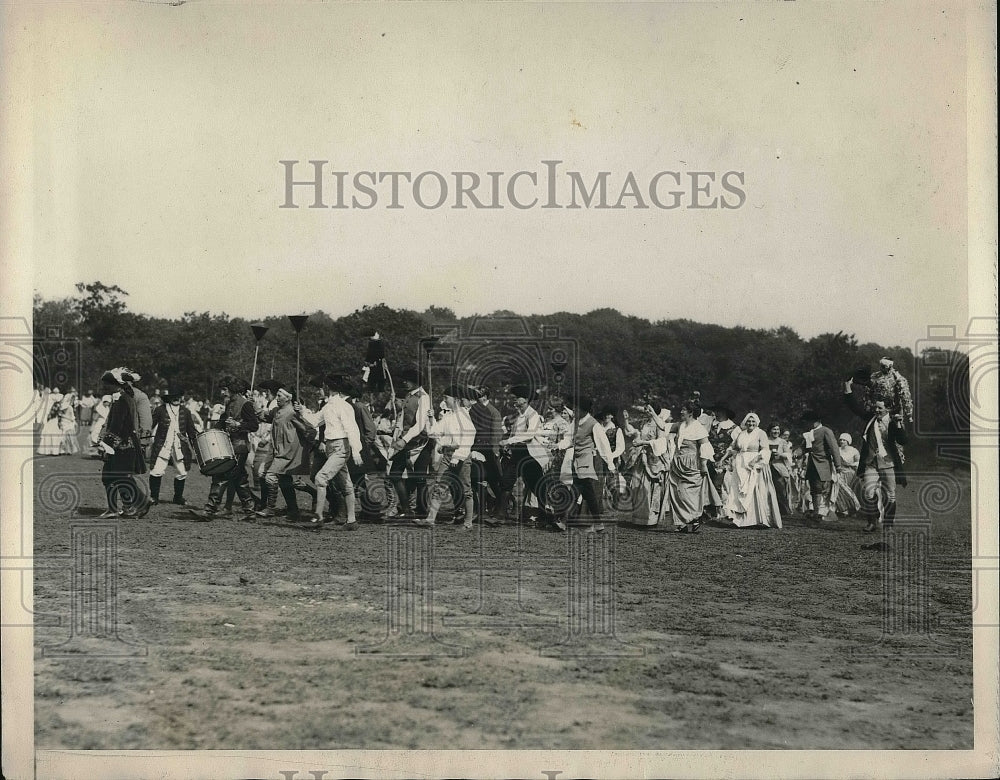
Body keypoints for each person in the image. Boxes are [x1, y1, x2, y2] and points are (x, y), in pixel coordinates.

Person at [844, 379, 908, 532]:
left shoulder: (893, 422)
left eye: (879, 408)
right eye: (875, 408)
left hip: (889, 463)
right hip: (871, 462)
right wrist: (847, 387)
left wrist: (899, 424)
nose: (877, 411)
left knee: (890, 495)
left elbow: (903, 440)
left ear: (887, 409)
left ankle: (889, 525)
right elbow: (855, 407)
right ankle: (872, 521)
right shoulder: (870, 419)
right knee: (868, 492)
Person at [192, 377, 259, 519]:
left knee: (221, 476)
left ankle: (209, 510)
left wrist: (238, 425)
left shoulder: (245, 404)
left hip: (239, 447)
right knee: (240, 480)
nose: (222, 393)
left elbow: (254, 425)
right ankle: (250, 511)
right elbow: (221, 424)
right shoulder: (230, 404)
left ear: (233, 389)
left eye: (225, 390)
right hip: (229, 446)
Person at [417, 385, 478, 529]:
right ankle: (430, 519)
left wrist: (457, 457)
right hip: (447, 456)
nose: (444, 401)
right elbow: (434, 432)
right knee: (440, 486)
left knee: (466, 489)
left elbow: (469, 438)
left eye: (446, 398)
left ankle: (468, 523)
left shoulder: (463, 415)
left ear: (456, 399)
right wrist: (430, 419)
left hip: (461, 456)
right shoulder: (449, 416)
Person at [256, 385, 316, 520]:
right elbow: (265, 416)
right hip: (278, 451)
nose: (277, 398)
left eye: (280, 396)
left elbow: (309, 430)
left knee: (270, 476)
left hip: (288, 452)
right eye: (277, 395)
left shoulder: (292, 413)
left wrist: (311, 445)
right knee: (284, 481)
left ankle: (270, 508)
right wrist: (254, 405)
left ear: (288, 398)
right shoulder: (277, 410)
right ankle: (293, 511)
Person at [556, 397, 615, 532]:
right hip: (576, 462)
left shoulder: (593, 424)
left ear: (583, 410)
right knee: (588, 493)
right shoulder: (576, 423)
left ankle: (565, 521)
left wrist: (611, 465)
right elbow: (569, 439)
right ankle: (598, 523)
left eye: (576, 408)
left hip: (586, 463)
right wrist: (558, 446)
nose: (574, 410)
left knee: (577, 490)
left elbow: (603, 446)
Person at [312, 373, 364, 527]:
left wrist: (356, 451)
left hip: (340, 446)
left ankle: (318, 517)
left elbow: (352, 430)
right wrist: (302, 411)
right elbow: (315, 421)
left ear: (329, 388)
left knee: (321, 478)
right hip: (333, 447)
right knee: (346, 486)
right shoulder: (329, 406)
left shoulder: (343, 406)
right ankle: (352, 520)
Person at [97, 368, 148, 517]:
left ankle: (121, 507)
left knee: (112, 477)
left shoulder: (121, 400)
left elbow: (116, 426)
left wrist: (107, 446)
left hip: (121, 446)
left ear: (116, 385)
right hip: (125, 445)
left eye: (107, 384)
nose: (104, 387)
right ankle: (129, 506)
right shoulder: (124, 398)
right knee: (119, 477)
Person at [664, 400, 721, 533]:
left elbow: (705, 446)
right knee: (675, 491)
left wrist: (703, 464)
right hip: (677, 463)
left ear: (690, 412)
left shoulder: (698, 427)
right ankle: (681, 523)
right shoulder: (680, 425)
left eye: (684, 409)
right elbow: (663, 426)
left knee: (687, 493)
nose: (681, 411)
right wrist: (652, 413)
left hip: (691, 464)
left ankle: (695, 517)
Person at [498, 383, 551, 524]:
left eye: (517, 398)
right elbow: (514, 434)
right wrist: (508, 444)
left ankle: (546, 515)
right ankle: (501, 515)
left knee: (536, 485)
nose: (514, 400)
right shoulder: (519, 416)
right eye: (514, 398)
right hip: (517, 454)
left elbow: (528, 436)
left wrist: (509, 440)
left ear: (526, 400)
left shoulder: (533, 415)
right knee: (506, 482)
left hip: (530, 455)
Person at [719, 413, 783, 528]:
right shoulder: (741, 434)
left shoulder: (761, 433)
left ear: (757, 422)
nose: (751, 424)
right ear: (745, 422)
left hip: (754, 464)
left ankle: (755, 519)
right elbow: (732, 448)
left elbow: (765, 450)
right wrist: (722, 459)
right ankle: (741, 520)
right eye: (749, 421)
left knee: (753, 490)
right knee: (739, 490)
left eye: (753, 422)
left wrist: (755, 460)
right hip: (741, 464)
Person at [387, 366, 433, 519]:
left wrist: (404, 439)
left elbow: (420, 424)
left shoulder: (423, 397)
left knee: (419, 478)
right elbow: (403, 418)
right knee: (394, 474)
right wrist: (398, 433)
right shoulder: (408, 395)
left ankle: (422, 509)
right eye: (404, 380)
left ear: (416, 382)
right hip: (406, 440)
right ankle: (406, 509)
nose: (405, 382)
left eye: (408, 380)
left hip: (421, 441)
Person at [621, 404, 670, 526]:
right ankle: (639, 517)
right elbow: (631, 432)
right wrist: (626, 420)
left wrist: (643, 442)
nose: (646, 411)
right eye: (646, 409)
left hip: (654, 459)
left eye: (649, 409)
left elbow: (661, 442)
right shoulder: (644, 423)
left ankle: (650, 519)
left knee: (649, 487)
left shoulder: (659, 424)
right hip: (642, 456)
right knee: (638, 485)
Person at [147, 389, 199, 505]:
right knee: (156, 471)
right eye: (173, 396)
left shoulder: (185, 412)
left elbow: (191, 430)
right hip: (162, 445)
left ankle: (178, 497)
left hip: (179, 446)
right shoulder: (160, 410)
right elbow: (150, 424)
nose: (176, 398)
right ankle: (154, 497)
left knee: (182, 472)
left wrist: (197, 444)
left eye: (178, 396)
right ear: (168, 398)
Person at [469, 385, 504, 523]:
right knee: (478, 478)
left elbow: (496, 433)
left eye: (478, 395)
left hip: (489, 450)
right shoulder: (475, 409)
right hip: (476, 447)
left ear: (484, 396)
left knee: (494, 480)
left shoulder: (493, 411)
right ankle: (485, 506)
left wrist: (495, 452)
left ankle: (500, 506)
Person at [800, 409, 843, 521]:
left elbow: (834, 448)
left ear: (816, 421)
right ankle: (816, 512)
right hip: (812, 465)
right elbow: (804, 447)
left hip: (822, 464)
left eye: (808, 421)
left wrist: (838, 465)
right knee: (814, 489)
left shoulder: (825, 431)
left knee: (821, 488)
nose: (806, 424)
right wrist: (797, 452)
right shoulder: (809, 433)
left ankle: (821, 512)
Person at [830, 432, 863, 517]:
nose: (841, 441)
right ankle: (843, 509)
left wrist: (851, 464)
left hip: (850, 473)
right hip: (839, 473)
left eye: (844, 440)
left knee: (849, 492)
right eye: (840, 440)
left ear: (848, 441)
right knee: (839, 492)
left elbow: (859, 462)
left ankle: (853, 509)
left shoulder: (853, 451)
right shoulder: (837, 450)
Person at [766, 423, 794, 518]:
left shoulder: (782, 442)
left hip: (778, 468)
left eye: (777, 430)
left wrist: (780, 454)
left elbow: (788, 455)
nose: (776, 431)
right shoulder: (765, 440)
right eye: (774, 429)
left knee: (780, 489)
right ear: (769, 430)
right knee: (766, 488)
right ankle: (768, 509)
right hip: (766, 467)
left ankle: (782, 510)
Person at [36, 387, 65, 455]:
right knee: (52, 431)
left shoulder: (53, 399)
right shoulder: (52, 399)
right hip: (52, 416)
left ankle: (51, 449)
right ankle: (52, 450)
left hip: (53, 416)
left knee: (51, 431)